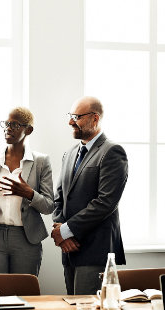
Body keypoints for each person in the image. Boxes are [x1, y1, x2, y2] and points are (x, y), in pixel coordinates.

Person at [52, 96, 129, 295]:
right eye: (70, 116)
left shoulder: (112, 152)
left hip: (95, 250)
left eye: (76, 117)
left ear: (95, 119)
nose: (70, 122)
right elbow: (59, 198)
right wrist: (62, 235)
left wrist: (67, 230)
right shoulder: (69, 154)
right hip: (69, 250)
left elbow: (106, 202)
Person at [0, 107, 54, 276]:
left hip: (26, 237)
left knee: (23, 295)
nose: (8, 128)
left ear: (28, 130)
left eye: (14, 125)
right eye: (6, 124)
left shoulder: (40, 161)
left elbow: (49, 206)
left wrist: (28, 193)